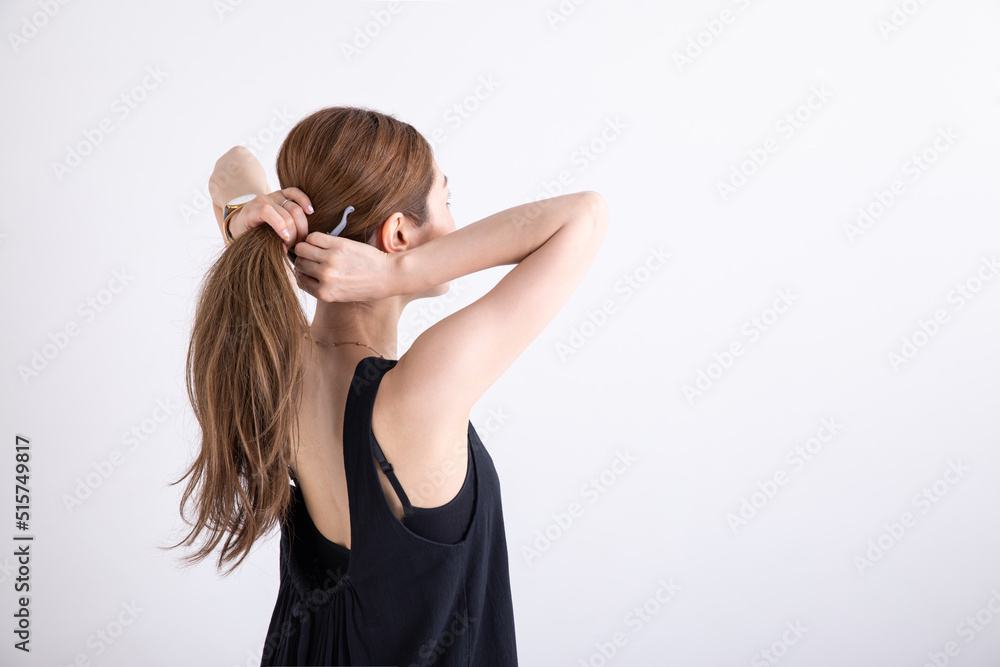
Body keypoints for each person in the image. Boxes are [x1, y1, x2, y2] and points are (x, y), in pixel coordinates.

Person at [164, 106, 609, 665]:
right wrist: (397, 272)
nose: (456, 224)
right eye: (446, 199)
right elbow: (585, 216)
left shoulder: (275, 357)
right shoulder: (418, 392)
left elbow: (231, 166)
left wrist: (245, 217)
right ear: (397, 233)